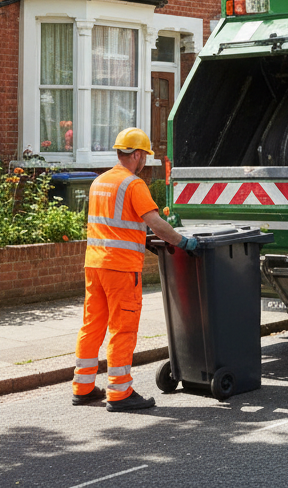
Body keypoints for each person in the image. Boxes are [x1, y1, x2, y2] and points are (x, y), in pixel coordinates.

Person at [72, 127, 199, 412]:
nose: (145, 163)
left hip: (94, 264)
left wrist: (145, 241)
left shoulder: (99, 182)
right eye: (145, 157)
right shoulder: (133, 184)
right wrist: (183, 242)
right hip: (121, 268)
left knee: (92, 324)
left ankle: (83, 387)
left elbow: (115, 224)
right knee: (123, 327)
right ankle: (119, 392)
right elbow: (155, 222)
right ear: (138, 155)